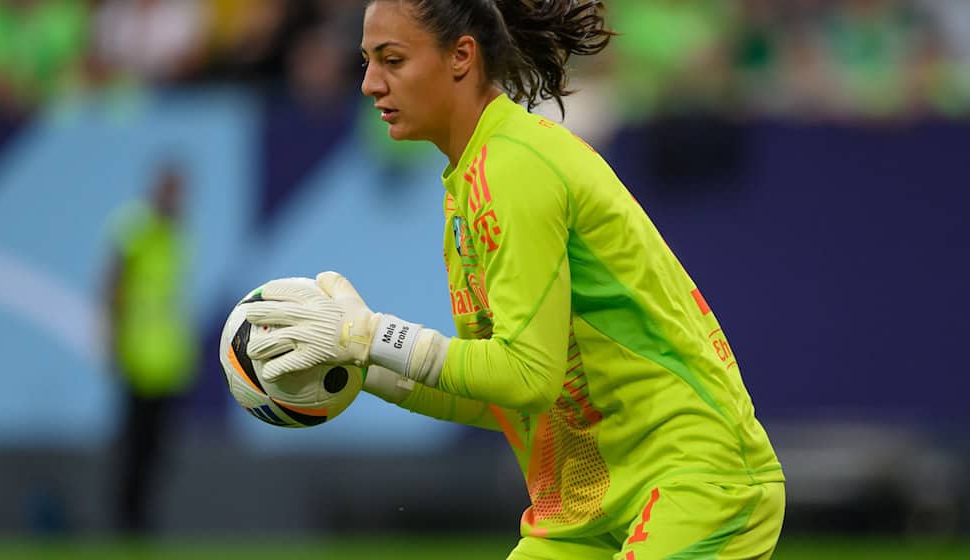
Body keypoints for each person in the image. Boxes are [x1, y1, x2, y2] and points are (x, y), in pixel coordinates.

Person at [240, 1, 785, 558]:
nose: (370, 84)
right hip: (588, 503)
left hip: (691, 481)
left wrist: (376, 336)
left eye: (392, 60)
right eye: (366, 62)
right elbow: (507, 398)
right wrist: (366, 368)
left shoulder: (515, 167)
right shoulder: (470, 183)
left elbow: (528, 378)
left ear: (461, 57)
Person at [106, 164, 197, 533]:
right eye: (171, 190)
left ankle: (141, 517)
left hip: (167, 357)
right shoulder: (134, 229)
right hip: (138, 354)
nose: (176, 199)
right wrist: (114, 340)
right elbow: (114, 285)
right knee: (135, 444)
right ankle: (126, 518)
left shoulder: (178, 235)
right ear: (156, 190)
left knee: (158, 447)